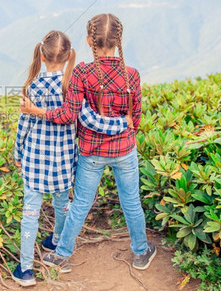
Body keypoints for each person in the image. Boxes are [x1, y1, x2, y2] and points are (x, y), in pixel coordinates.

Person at [20, 14, 156, 275]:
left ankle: (61, 255)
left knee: (81, 203)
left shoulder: (82, 72)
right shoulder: (132, 75)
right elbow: (134, 118)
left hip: (91, 152)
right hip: (125, 150)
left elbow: (68, 116)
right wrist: (126, 136)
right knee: (131, 202)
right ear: (119, 41)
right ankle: (140, 252)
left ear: (88, 40)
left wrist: (37, 112)